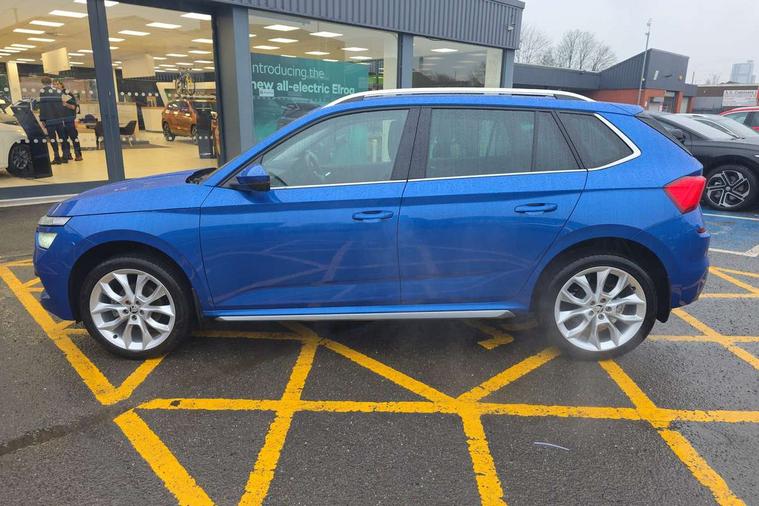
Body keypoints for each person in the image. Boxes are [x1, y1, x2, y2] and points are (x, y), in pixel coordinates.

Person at [38, 76, 70, 165]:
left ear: (42, 83)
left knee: (53, 139)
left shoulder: (43, 92)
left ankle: (57, 157)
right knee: (62, 138)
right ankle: (65, 156)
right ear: (51, 82)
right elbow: (63, 105)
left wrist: (42, 119)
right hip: (59, 119)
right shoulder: (58, 92)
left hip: (49, 119)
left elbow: (43, 107)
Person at [55, 80, 82, 161]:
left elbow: (74, 107)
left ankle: (78, 155)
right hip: (60, 120)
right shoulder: (55, 95)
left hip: (69, 119)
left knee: (73, 137)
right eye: (54, 84)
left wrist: (66, 104)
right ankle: (67, 155)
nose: (56, 86)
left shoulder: (68, 93)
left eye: (57, 84)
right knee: (63, 138)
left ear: (62, 85)